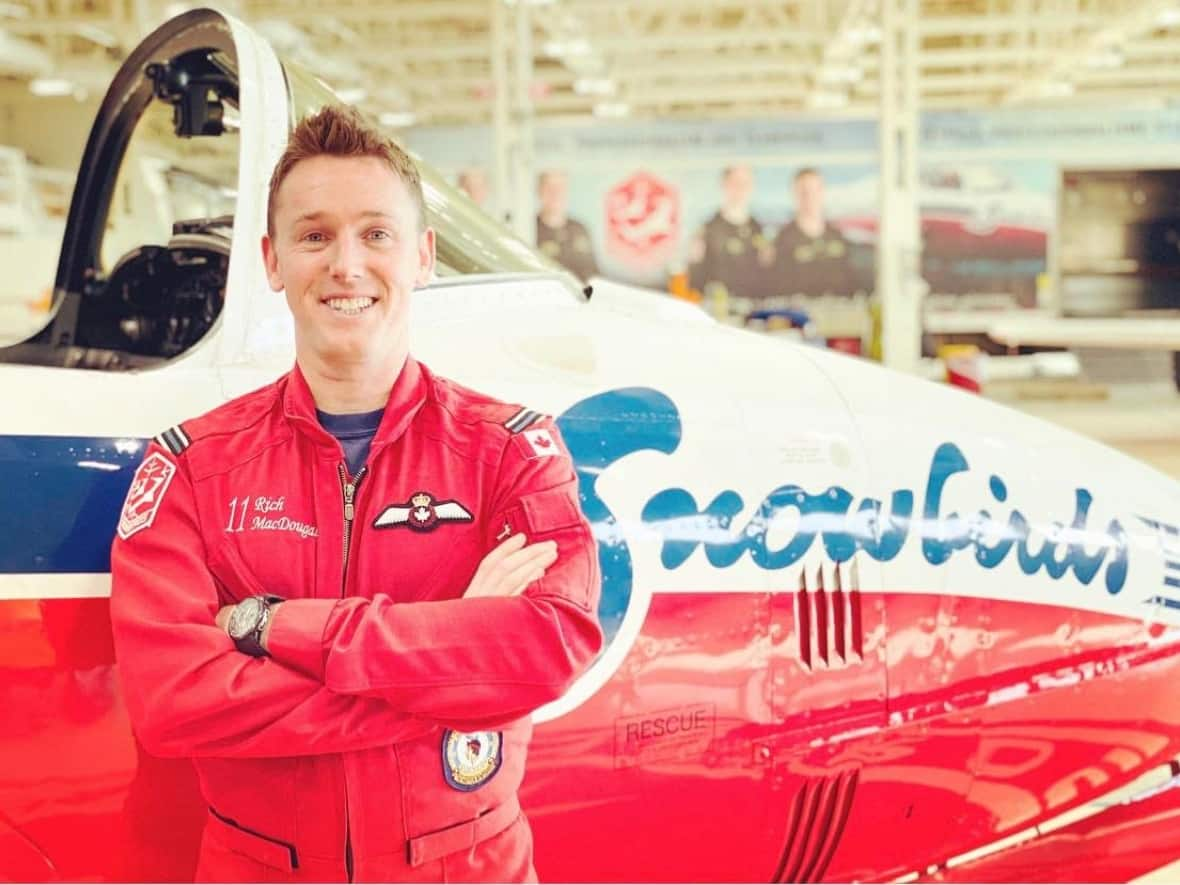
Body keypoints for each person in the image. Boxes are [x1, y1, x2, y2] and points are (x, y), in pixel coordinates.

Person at [109, 105, 603, 883]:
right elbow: (173, 701)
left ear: (422, 257)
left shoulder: (512, 451)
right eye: (315, 235)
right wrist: (446, 671)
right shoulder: (191, 468)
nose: (346, 264)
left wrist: (273, 626)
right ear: (273, 261)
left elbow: (550, 649)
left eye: (376, 234)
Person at [687, 164, 772, 304]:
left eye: (745, 183)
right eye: (735, 182)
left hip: (752, 312)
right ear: (724, 184)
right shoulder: (708, 229)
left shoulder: (759, 229)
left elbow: (767, 280)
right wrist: (694, 262)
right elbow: (695, 284)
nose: (741, 189)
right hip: (718, 311)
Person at [771, 167, 858, 296]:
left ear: (822, 192)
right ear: (794, 194)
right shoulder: (782, 241)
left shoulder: (837, 237)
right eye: (804, 191)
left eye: (814, 190)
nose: (810, 197)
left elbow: (851, 283)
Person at [535, 169, 599, 282]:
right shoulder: (530, 229)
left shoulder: (580, 228)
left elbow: (595, 273)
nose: (555, 193)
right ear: (539, 191)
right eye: (549, 187)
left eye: (560, 188)